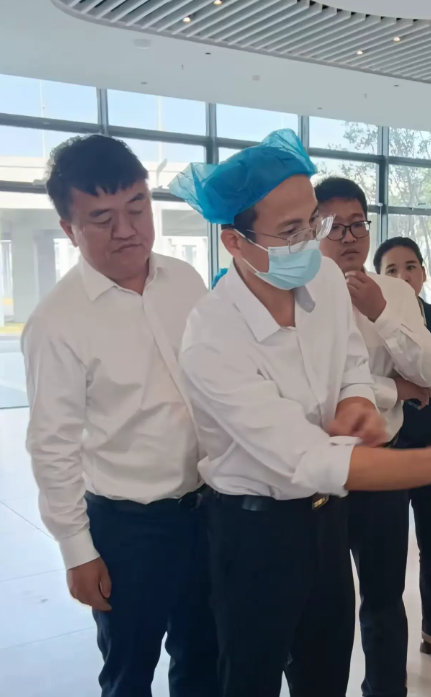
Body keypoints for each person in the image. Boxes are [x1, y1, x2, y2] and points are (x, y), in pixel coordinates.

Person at [171, 130, 431, 697]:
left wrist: (356, 401)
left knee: (326, 668)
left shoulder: (323, 280)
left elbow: (350, 361)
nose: (310, 241)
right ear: (234, 241)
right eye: (291, 231)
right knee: (249, 677)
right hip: (254, 532)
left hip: (326, 519)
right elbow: (309, 458)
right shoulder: (212, 337)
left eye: (313, 223)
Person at [22, 135, 218, 697]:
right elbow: (52, 447)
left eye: (137, 207)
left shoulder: (184, 281)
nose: (127, 229)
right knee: (129, 671)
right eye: (102, 219)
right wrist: (77, 552)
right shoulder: (57, 322)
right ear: (69, 229)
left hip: (207, 510)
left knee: (204, 659)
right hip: (128, 530)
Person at [316, 177, 431, 697]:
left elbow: (429, 370)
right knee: (323, 606)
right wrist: (395, 388)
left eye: (357, 225)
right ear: (312, 229)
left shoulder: (393, 293)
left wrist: (381, 313)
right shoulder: (298, 294)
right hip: (321, 471)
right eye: (334, 226)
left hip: (382, 464)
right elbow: (320, 393)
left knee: (385, 597)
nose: (349, 237)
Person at [373, 236, 431, 667]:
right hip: (387, 458)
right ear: (378, 278)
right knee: (388, 558)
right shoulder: (369, 320)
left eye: (410, 266)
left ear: (423, 272)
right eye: (391, 270)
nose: (403, 276)